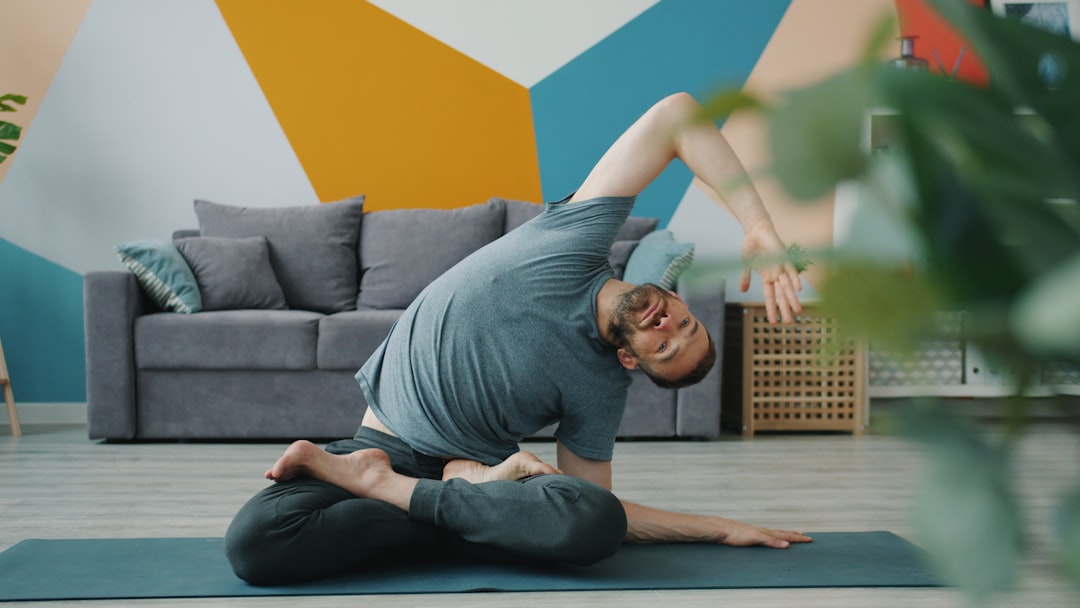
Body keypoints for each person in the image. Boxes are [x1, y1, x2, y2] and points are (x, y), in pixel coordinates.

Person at [224, 92, 811, 586]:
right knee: (256, 542)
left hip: (467, 481)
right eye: (684, 325)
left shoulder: (600, 387)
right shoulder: (579, 233)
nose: (669, 327)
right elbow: (678, 114)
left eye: (666, 349)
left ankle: (404, 496)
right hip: (389, 448)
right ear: (677, 301)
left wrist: (718, 527)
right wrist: (757, 224)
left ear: (630, 358)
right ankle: (441, 505)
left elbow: (599, 509)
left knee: (593, 524)